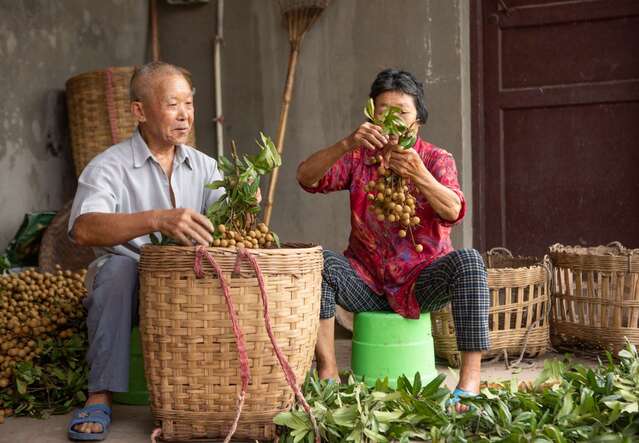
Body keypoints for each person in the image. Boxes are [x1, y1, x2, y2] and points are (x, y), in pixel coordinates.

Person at [297, 68, 490, 412]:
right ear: (371, 116)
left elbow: (454, 210)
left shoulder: (435, 158)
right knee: (318, 261)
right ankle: (327, 373)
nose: (393, 120)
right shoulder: (359, 158)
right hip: (366, 283)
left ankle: (469, 384)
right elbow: (307, 178)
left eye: (402, 111)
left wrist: (420, 174)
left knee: (470, 262)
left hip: (421, 281)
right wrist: (347, 143)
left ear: (419, 119)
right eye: (384, 111)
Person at [66, 61, 223, 440]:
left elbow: (229, 222)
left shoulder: (205, 166)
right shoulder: (109, 167)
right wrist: (156, 219)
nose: (184, 115)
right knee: (117, 271)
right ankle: (100, 394)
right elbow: (83, 228)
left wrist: (247, 202)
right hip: (133, 284)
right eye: (172, 104)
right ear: (139, 110)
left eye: (189, 103)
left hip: (188, 283)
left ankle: (208, 394)